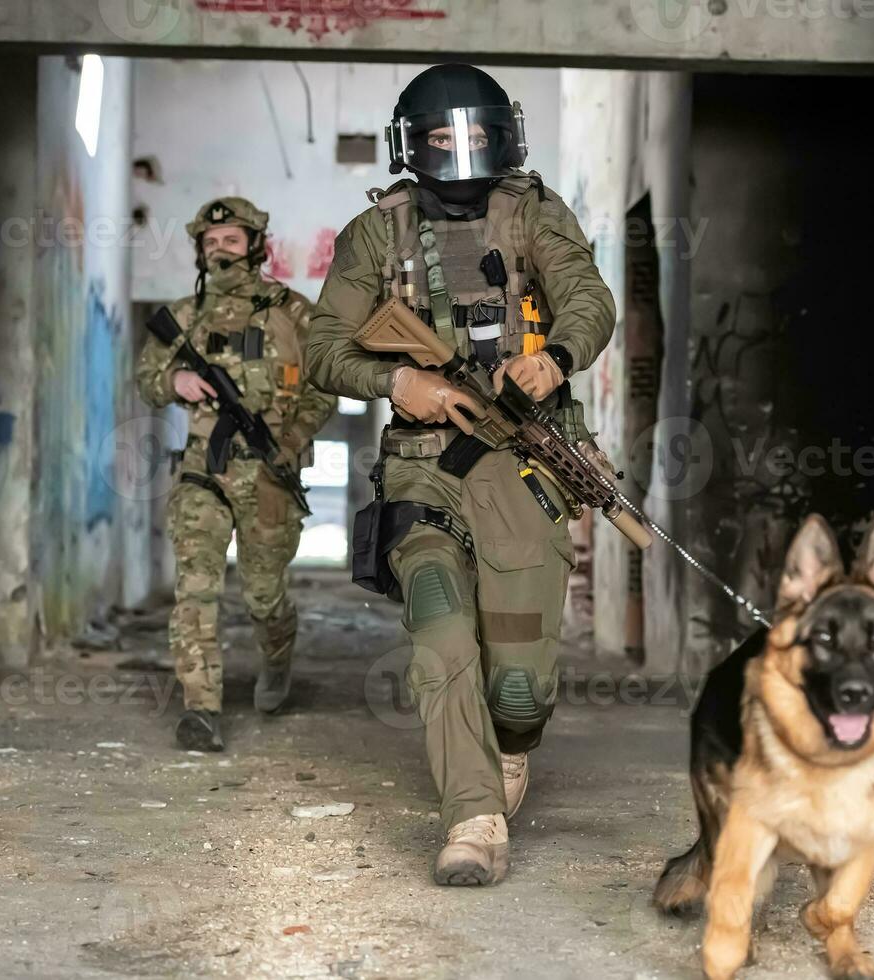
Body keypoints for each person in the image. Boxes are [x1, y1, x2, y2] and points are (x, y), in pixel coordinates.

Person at [305, 65, 616, 885]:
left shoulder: (533, 213)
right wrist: (395, 383)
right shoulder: (378, 233)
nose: (462, 152)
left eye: (477, 134)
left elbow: (589, 299)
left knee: (519, 685)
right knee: (441, 633)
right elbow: (324, 346)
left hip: (522, 459)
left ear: (505, 134)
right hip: (422, 467)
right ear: (413, 146)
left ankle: (511, 749)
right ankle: (471, 819)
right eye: (443, 138)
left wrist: (556, 361)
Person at [136, 196, 335, 752]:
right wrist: (174, 382)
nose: (221, 250)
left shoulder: (294, 312)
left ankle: (277, 660)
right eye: (211, 242)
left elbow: (325, 388)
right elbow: (148, 376)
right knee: (195, 589)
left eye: (231, 240)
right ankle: (201, 708)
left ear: (255, 245)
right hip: (204, 467)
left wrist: (290, 442)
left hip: (270, 470)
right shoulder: (183, 316)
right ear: (200, 252)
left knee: (263, 595)